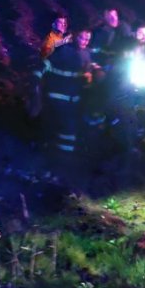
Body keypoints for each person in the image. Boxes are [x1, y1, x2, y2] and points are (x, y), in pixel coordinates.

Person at [35, 29, 96, 183]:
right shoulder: (63, 51)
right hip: (56, 99)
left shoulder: (86, 54)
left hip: (71, 101)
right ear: (74, 36)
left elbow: (85, 78)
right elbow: (43, 66)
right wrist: (34, 86)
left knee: (68, 136)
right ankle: (47, 168)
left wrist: (89, 78)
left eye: (87, 38)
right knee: (55, 134)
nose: (84, 40)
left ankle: (60, 170)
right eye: (82, 37)